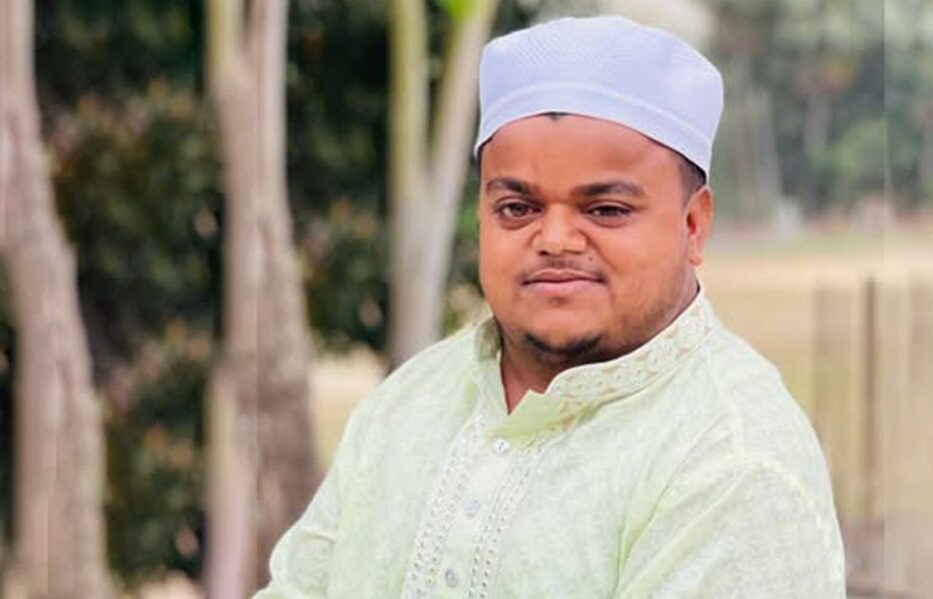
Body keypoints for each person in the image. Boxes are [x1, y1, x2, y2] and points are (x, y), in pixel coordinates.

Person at [255, 15, 845, 598]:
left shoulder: (731, 460)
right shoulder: (409, 403)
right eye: (518, 208)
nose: (556, 239)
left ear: (693, 225)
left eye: (605, 210)